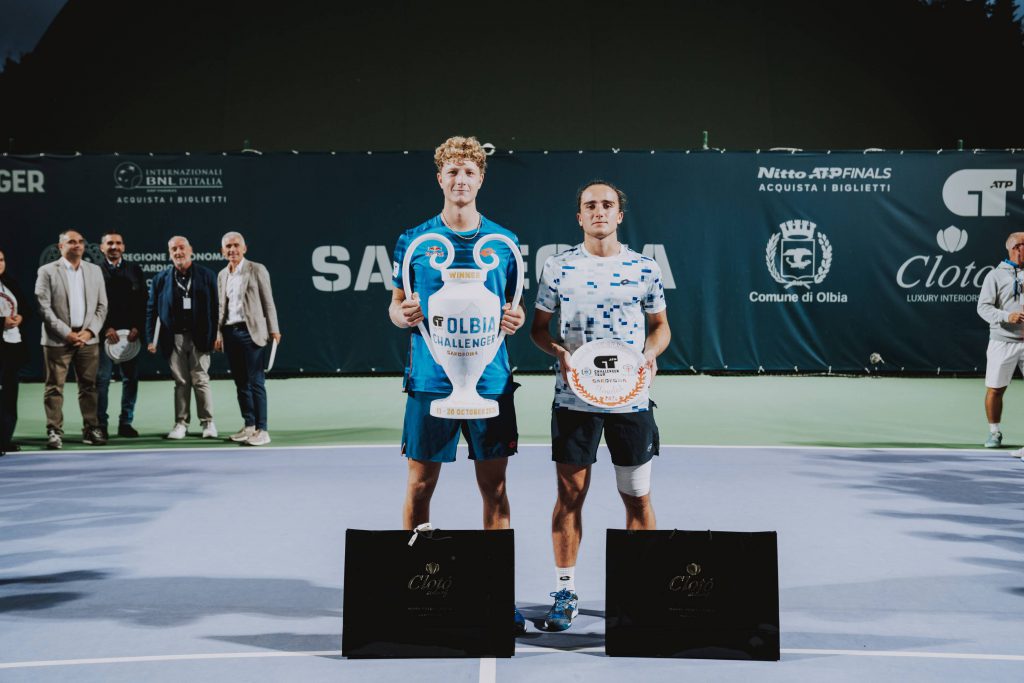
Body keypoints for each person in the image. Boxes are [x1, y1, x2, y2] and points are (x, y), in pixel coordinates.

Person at [389, 135, 526, 633]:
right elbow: (396, 304)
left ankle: (497, 592)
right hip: (429, 380)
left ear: (481, 178)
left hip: (490, 382)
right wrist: (401, 314)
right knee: (420, 485)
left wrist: (515, 317)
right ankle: (415, 585)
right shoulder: (413, 240)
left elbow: (515, 306)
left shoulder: (505, 243)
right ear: (440, 178)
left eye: (469, 172)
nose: (460, 180)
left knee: (495, 488)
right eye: (452, 172)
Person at [530, 181, 671, 631]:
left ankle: (640, 590)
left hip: (630, 401)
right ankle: (566, 592)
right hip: (574, 402)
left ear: (619, 215)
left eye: (607, 205)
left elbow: (661, 327)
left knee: (637, 497)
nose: (599, 212)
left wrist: (650, 355)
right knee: (570, 497)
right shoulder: (558, 267)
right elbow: (538, 328)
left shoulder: (644, 268)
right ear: (579, 217)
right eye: (589, 205)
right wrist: (557, 352)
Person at [35, 230, 109, 449]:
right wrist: (66, 332)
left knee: (89, 387)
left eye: (80, 242)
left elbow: (102, 306)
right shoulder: (47, 271)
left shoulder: (94, 270)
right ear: (60, 247)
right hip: (58, 340)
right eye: (71, 242)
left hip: (88, 340)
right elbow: (43, 306)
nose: (77, 245)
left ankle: (90, 429)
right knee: (54, 387)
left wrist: (89, 332)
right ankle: (54, 431)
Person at [147, 236, 219, 440]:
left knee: (200, 379)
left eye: (181, 248)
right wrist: (152, 338)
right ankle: (181, 424)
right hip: (174, 338)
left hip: (200, 337)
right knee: (181, 382)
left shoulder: (207, 275)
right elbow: (152, 310)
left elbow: (216, 308)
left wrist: (216, 335)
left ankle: (208, 423)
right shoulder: (161, 278)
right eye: (173, 249)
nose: (178, 252)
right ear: (169, 253)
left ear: (190, 250)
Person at [214, 231, 281, 446]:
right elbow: (220, 308)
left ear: (244, 249)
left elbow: (268, 301)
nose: (232, 250)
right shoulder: (222, 275)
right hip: (230, 333)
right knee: (240, 382)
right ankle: (249, 425)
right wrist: (218, 333)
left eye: (235, 245)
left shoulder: (257, 269)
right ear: (222, 251)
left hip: (252, 333)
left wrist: (274, 329)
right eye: (228, 247)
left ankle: (263, 430)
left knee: (256, 382)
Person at [96, 232, 147, 439]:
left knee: (131, 380)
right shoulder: (94, 271)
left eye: (118, 243)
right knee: (102, 380)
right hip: (104, 336)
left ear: (123, 247)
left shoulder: (135, 270)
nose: (114, 247)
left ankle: (126, 422)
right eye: (110, 243)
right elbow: (93, 304)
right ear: (102, 248)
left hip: (131, 337)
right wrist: (106, 328)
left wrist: (137, 327)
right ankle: (100, 424)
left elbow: (143, 301)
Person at [978, 231, 1024, 450]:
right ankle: (994, 432)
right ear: (1016, 248)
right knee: (996, 389)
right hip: (1002, 340)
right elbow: (983, 308)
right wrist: (1007, 316)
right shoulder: (995, 276)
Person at [1, 249, 30, 455]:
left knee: (9, 396)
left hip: (12, 349)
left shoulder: (10, 283)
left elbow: (25, 308)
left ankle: (4, 439)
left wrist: (19, 318)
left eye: (1, 259)